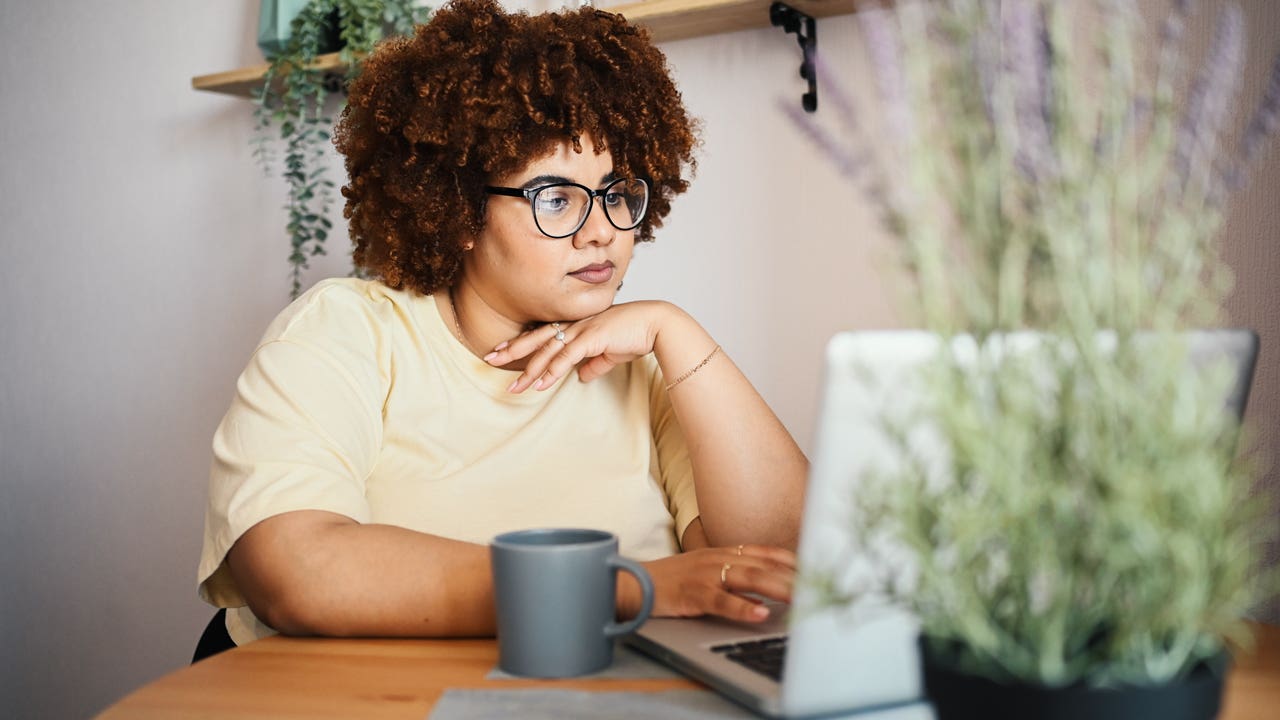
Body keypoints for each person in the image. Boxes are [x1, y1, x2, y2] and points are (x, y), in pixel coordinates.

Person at [196, 0, 808, 650]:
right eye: (556, 198)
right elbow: (295, 568)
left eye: (617, 193)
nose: (602, 231)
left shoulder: (646, 367)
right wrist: (626, 585)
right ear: (459, 211)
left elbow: (777, 567)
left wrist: (679, 333)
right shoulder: (346, 333)